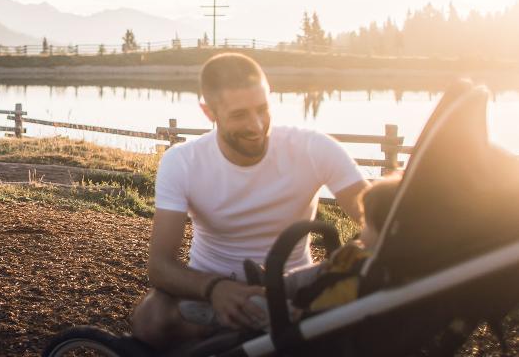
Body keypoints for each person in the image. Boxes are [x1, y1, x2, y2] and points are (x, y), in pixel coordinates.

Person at [129, 53, 368, 349]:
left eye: (263, 109)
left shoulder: (313, 148)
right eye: (239, 115)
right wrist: (214, 288)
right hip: (210, 287)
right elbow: (160, 265)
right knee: (149, 319)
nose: (256, 126)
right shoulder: (182, 161)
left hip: (288, 287)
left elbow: (375, 218)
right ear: (209, 112)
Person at [177, 175, 400, 327]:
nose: (362, 229)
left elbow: (341, 307)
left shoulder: (373, 274)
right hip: (317, 289)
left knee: (256, 308)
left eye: (366, 225)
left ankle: (215, 316)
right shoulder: (360, 255)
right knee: (318, 271)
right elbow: (323, 274)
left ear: (386, 231)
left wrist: (302, 315)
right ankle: (274, 284)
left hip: (310, 321)